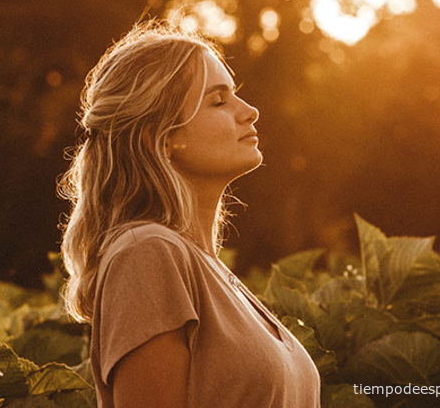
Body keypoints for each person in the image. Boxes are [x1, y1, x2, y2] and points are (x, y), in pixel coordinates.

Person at [58, 20, 320, 407]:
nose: (249, 111)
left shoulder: (207, 268)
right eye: (218, 100)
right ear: (163, 137)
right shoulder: (146, 253)